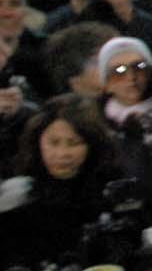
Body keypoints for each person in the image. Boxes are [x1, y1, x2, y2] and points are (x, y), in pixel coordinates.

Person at [0, 94, 124, 268]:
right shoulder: (18, 200)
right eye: (53, 142)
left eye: (74, 143)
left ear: (92, 144)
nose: (62, 154)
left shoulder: (112, 188)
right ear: (38, 141)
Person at [96, 36, 152, 225]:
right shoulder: (99, 129)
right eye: (119, 71)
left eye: (139, 67)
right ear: (106, 83)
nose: (131, 77)